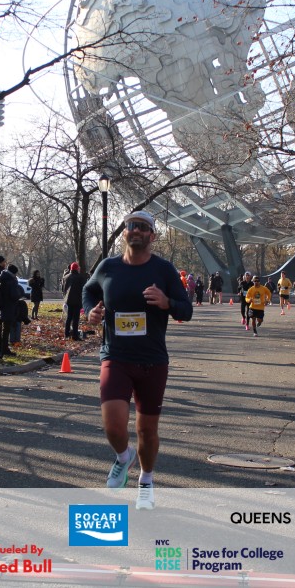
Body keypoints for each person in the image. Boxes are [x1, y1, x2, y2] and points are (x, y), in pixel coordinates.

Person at [83, 210, 192, 510]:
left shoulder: (164, 270)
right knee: (113, 425)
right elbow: (88, 291)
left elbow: (186, 310)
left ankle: (146, 480)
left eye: (143, 227)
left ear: (152, 236)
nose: (137, 231)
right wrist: (90, 311)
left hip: (152, 360)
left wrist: (167, 302)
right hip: (116, 356)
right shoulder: (108, 267)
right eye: (132, 226)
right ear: (125, 232)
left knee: (147, 430)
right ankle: (123, 457)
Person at [62, 262, 85, 340]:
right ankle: (75, 335)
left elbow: (63, 289)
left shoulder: (66, 277)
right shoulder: (80, 278)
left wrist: (65, 297)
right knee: (76, 319)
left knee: (69, 317)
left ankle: (66, 334)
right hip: (77, 300)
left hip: (68, 300)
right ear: (77, 269)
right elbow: (83, 289)